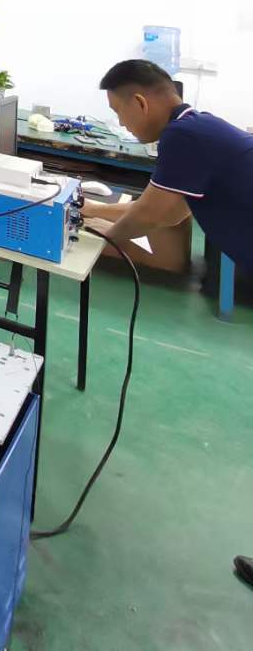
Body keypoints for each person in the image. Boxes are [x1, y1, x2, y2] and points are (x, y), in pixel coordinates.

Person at [87, 60, 253, 590]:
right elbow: (176, 211)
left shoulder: (183, 136)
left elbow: (154, 215)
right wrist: (90, 210)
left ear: (141, 102)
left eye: (120, 113)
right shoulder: (194, 129)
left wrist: (95, 235)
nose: (122, 126)